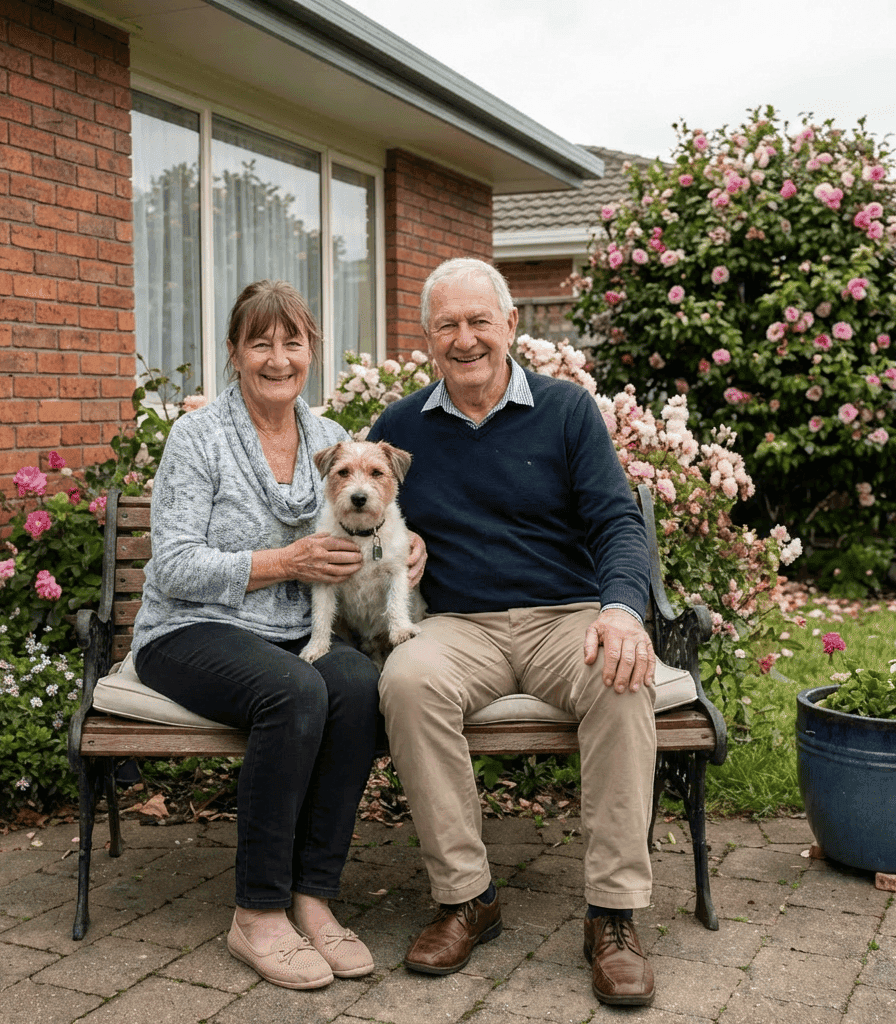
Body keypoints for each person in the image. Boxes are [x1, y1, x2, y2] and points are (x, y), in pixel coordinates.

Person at [366, 258, 659, 1007]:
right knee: (406, 679)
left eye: (478, 322)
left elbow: (617, 522)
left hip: (567, 617)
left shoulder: (566, 410)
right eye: (447, 326)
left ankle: (614, 916)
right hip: (461, 625)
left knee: (624, 677)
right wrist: (403, 549)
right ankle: (467, 898)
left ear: (510, 326)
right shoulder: (399, 428)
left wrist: (622, 610)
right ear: (427, 337)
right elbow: (365, 516)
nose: (464, 340)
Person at [132, 280, 388, 991]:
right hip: (190, 628)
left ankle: (313, 896)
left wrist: (403, 544)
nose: (278, 358)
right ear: (234, 353)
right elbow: (174, 565)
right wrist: (284, 561)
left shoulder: (326, 436)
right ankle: (258, 912)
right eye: (261, 343)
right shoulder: (199, 436)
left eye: (293, 342)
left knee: (361, 685)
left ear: (312, 351)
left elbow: (361, 520)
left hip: (288, 630)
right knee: (295, 691)